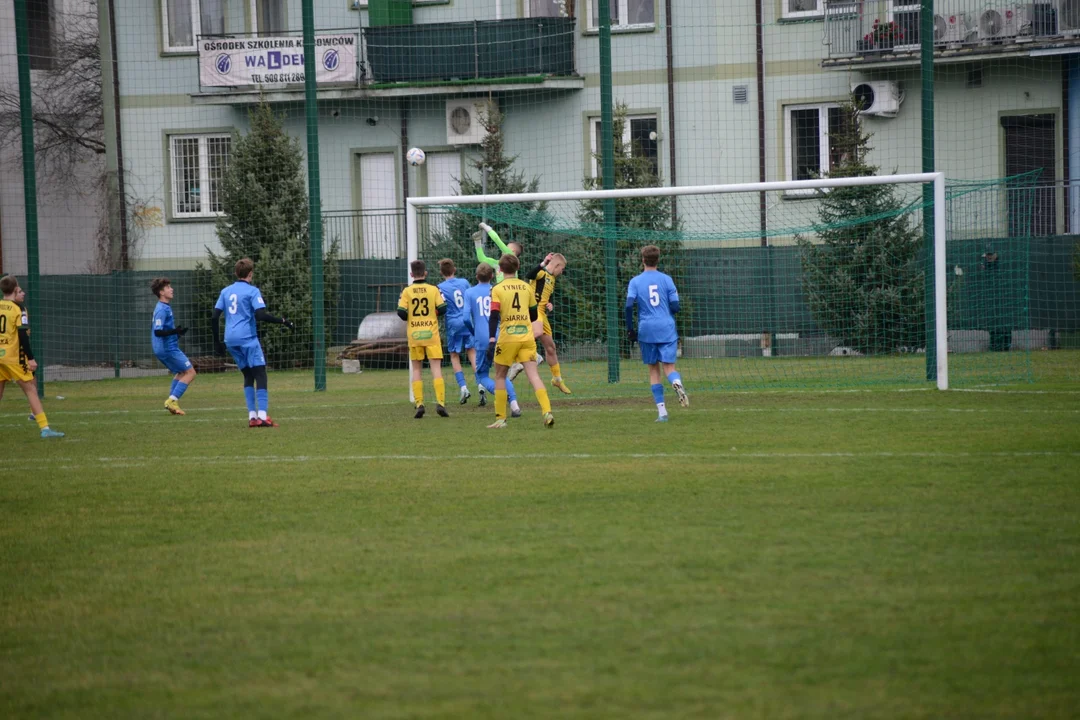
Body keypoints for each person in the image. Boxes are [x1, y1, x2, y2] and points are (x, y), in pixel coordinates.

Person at [211, 258, 294, 427]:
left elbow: (214, 316)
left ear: (236, 273)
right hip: (247, 339)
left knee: (248, 375)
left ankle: (252, 417)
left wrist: (217, 342)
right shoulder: (252, 291)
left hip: (230, 340)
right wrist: (283, 321)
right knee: (260, 374)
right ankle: (262, 416)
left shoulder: (226, 291)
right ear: (250, 274)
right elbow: (261, 315)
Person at [486, 254, 553, 429]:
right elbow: (532, 315)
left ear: (500, 269)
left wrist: (492, 339)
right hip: (527, 337)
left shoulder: (497, 289)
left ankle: (501, 418)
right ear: (517, 268)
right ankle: (547, 412)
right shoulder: (526, 287)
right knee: (534, 376)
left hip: (508, 338)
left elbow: (493, 316)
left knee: (500, 376)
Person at [625, 245, 689, 422]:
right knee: (669, 368)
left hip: (647, 329)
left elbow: (629, 306)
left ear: (643, 260)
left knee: (654, 370)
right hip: (666, 327)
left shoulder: (635, 282)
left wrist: (630, 329)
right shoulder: (667, 280)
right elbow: (676, 306)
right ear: (657, 260)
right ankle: (676, 382)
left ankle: (662, 413)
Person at [0, 275, 63, 438]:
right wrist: (31, 358)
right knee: (30, 390)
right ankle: (45, 429)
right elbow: (22, 335)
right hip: (12, 357)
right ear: (15, 289)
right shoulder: (18, 309)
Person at [463, 262, 521, 416]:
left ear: (476, 276)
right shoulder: (498, 289)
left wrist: (474, 332)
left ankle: (505, 396)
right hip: (501, 336)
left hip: (482, 339)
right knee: (501, 372)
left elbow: (466, 319)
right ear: (492, 276)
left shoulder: (469, 293)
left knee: (482, 376)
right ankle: (515, 404)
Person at [512, 252, 570, 394]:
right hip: (533, 311)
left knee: (551, 347)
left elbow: (545, 295)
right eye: (561, 269)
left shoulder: (552, 279)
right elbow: (529, 275)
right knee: (536, 332)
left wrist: (550, 304)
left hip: (542, 314)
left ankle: (557, 379)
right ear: (556, 265)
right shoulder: (541, 273)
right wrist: (543, 263)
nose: (561, 272)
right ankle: (516, 359)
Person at [397, 259, 449, 419]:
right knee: (436, 369)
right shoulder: (433, 289)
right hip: (431, 334)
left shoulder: (407, 291)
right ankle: (440, 403)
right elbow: (443, 308)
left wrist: (412, 315)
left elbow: (401, 313)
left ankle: (419, 404)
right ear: (425, 273)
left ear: (412, 274)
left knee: (417, 369)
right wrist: (432, 314)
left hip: (415, 335)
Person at [150, 277, 196, 416]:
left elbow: (163, 330)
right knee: (191, 372)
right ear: (161, 292)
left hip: (165, 347)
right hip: (167, 349)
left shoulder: (165, 307)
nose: (172, 289)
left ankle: (172, 404)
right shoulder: (162, 309)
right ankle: (172, 400)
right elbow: (158, 331)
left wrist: (177, 333)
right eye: (168, 287)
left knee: (181, 372)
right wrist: (174, 331)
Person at [436, 259, 474, 405]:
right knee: (472, 351)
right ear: (455, 269)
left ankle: (463, 387)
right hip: (467, 320)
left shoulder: (439, 287)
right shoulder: (464, 282)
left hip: (453, 323)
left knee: (454, 355)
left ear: (441, 272)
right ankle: (481, 385)